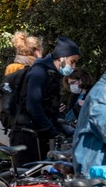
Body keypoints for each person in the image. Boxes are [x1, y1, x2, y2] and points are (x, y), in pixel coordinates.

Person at [10, 37, 80, 166]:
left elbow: (52, 110)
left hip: (38, 134)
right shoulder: (39, 73)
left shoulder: (52, 74)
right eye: (72, 61)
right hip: (25, 134)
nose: (73, 66)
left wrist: (68, 130)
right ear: (62, 58)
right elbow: (33, 106)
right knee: (27, 179)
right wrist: (51, 130)